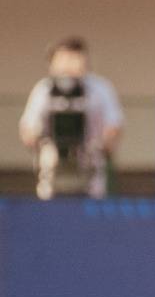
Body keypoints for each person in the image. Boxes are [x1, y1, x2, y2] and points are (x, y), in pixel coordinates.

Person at [17, 37, 124, 200]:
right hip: (52, 171)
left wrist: (100, 147)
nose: (69, 66)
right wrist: (42, 146)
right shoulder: (43, 90)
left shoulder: (100, 89)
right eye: (63, 60)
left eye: (74, 59)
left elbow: (114, 125)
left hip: (90, 170)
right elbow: (28, 127)